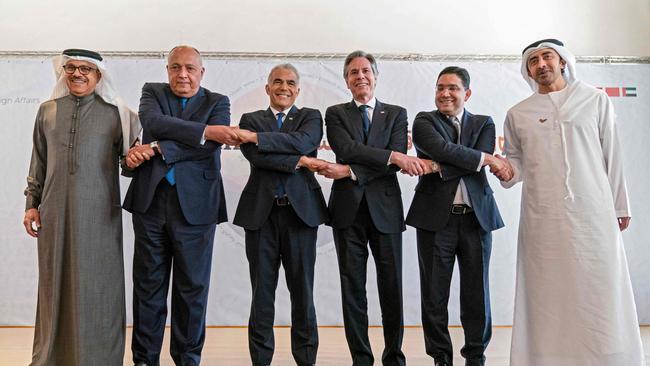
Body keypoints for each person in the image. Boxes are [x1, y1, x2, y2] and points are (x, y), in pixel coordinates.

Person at [497, 38, 645, 365]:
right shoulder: (518, 113)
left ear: (562, 61)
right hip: (542, 217)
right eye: (533, 61)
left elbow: (613, 155)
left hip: (594, 213)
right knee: (548, 292)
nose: (541, 65)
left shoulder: (594, 100)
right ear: (528, 70)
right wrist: (503, 170)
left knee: (598, 288)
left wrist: (620, 206)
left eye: (546, 56)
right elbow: (516, 165)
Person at [23, 48, 140, 365]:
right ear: (63, 73)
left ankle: (98, 357)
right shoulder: (47, 111)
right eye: (71, 68)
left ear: (98, 76)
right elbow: (39, 161)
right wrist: (31, 204)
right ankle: (52, 356)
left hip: (99, 214)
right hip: (53, 214)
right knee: (54, 284)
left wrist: (133, 160)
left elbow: (129, 166)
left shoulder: (118, 114)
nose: (77, 74)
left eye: (85, 69)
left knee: (98, 284)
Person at [123, 45, 237, 366]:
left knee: (192, 290)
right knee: (148, 289)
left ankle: (187, 359)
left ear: (202, 72)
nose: (182, 74)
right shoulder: (152, 93)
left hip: (197, 208)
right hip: (151, 204)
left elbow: (209, 146)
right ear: (167, 70)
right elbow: (153, 122)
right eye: (175, 67)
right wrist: (203, 132)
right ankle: (144, 360)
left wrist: (159, 148)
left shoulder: (218, 102)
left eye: (189, 68)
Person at [317, 50, 427, 366]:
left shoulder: (396, 113)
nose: (360, 76)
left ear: (375, 76)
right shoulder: (335, 113)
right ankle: (361, 359)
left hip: (386, 211)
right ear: (347, 80)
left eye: (366, 70)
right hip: (347, 212)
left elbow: (388, 156)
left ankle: (394, 356)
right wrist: (391, 157)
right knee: (353, 289)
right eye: (353, 72)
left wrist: (351, 171)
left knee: (391, 287)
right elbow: (346, 148)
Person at [405, 66, 504, 366]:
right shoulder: (424, 120)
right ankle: (441, 358)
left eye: (452, 88)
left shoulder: (484, 122)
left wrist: (438, 166)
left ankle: (476, 356)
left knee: (477, 293)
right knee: (434, 295)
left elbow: (462, 156)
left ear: (467, 93)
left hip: (476, 220)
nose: (444, 94)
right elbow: (439, 147)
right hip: (436, 220)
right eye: (440, 88)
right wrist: (479, 158)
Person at [232, 63, 328, 366]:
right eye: (277, 82)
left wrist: (258, 138)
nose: (283, 87)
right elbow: (257, 158)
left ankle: (306, 359)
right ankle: (261, 360)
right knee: (262, 294)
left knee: (303, 292)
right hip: (261, 216)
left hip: (301, 216)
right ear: (267, 88)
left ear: (297, 90)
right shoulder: (250, 119)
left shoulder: (311, 117)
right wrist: (299, 161)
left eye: (289, 83)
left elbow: (304, 141)